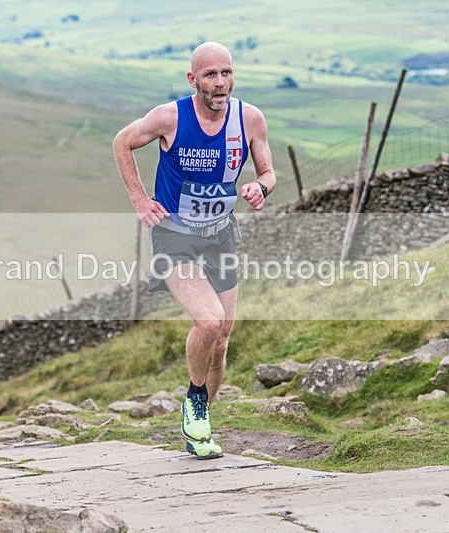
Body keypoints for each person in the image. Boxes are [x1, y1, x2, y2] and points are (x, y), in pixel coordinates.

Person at [113, 42, 276, 459]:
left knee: (221, 340)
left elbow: (268, 171)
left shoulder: (250, 119)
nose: (220, 83)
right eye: (210, 75)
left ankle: (199, 422)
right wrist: (139, 199)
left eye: (226, 73)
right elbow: (122, 141)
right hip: (175, 236)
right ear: (193, 79)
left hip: (220, 235)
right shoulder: (170, 117)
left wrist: (260, 187)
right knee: (208, 321)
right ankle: (196, 402)